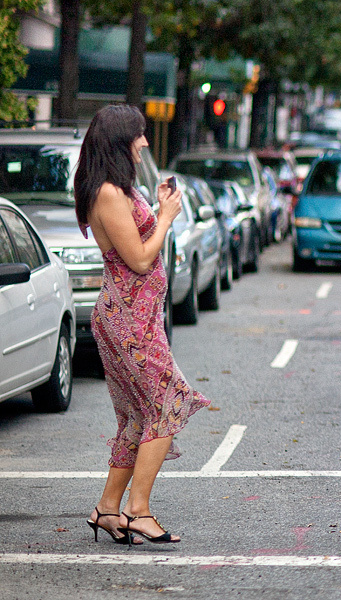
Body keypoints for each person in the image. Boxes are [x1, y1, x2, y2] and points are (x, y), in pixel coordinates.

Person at [76, 104, 210, 545]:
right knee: (168, 401)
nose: (146, 143)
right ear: (119, 141)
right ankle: (139, 511)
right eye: (139, 135)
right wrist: (167, 217)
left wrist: (157, 208)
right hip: (127, 320)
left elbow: (139, 243)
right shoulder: (108, 194)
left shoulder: (119, 189)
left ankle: (107, 510)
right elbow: (138, 258)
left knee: (137, 417)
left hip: (140, 317)